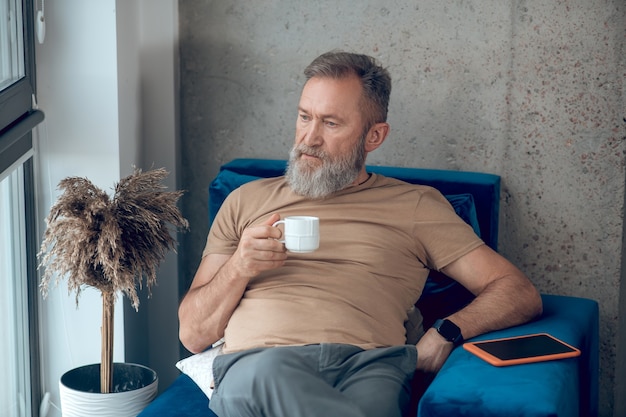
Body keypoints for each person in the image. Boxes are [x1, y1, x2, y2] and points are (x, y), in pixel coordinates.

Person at [178, 50, 543, 417]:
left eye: (331, 123)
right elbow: (193, 335)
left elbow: (518, 291)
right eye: (304, 117)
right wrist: (239, 267)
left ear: (374, 136)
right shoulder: (247, 201)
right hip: (261, 361)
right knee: (270, 374)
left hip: (369, 367)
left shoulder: (416, 206)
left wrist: (448, 331)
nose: (309, 138)